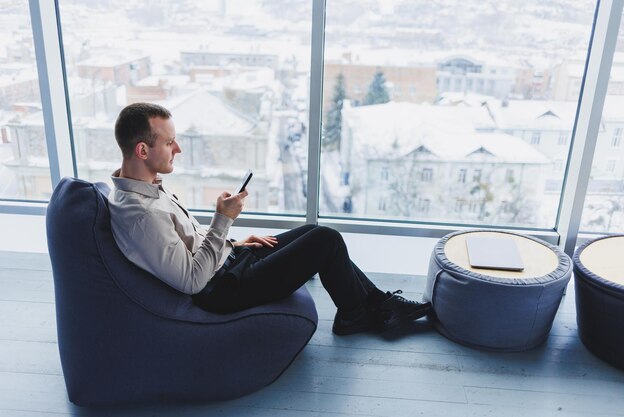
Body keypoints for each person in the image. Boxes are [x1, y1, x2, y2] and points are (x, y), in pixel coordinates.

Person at [108, 102, 432, 335]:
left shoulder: (147, 189)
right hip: (222, 291)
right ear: (142, 151)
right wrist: (222, 222)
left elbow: (186, 246)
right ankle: (358, 313)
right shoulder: (140, 215)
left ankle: (374, 305)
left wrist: (233, 242)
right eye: (168, 142)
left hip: (229, 263)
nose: (177, 148)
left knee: (313, 231)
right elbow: (192, 280)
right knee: (326, 240)